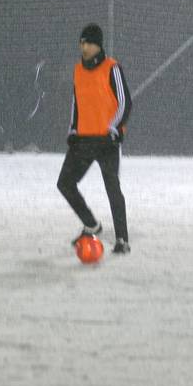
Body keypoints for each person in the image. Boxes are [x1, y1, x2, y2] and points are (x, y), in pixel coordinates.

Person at [57, 23, 132, 253]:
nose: (84, 47)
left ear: (98, 45)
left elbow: (125, 102)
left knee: (112, 187)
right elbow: (76, 102)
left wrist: (113, 129)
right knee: (65, 184)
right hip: (84, 140)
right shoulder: (78, 70)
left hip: (107, 141)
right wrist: (73, 129)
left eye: (88, 42)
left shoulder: (112, 67)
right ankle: (91, 224)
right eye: (81, 42)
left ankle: (122, 240)